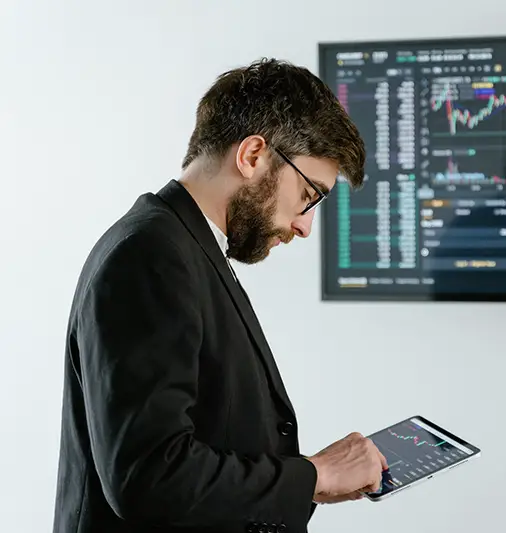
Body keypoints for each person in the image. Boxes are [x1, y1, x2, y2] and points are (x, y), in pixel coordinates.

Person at [52, 58, 389, 533]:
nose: (305, 225)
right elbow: (148, 476)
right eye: (309, 195)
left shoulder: (183, 248)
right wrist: (315, 475)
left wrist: (309, 482)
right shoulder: (149, 255)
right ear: (253, 156)